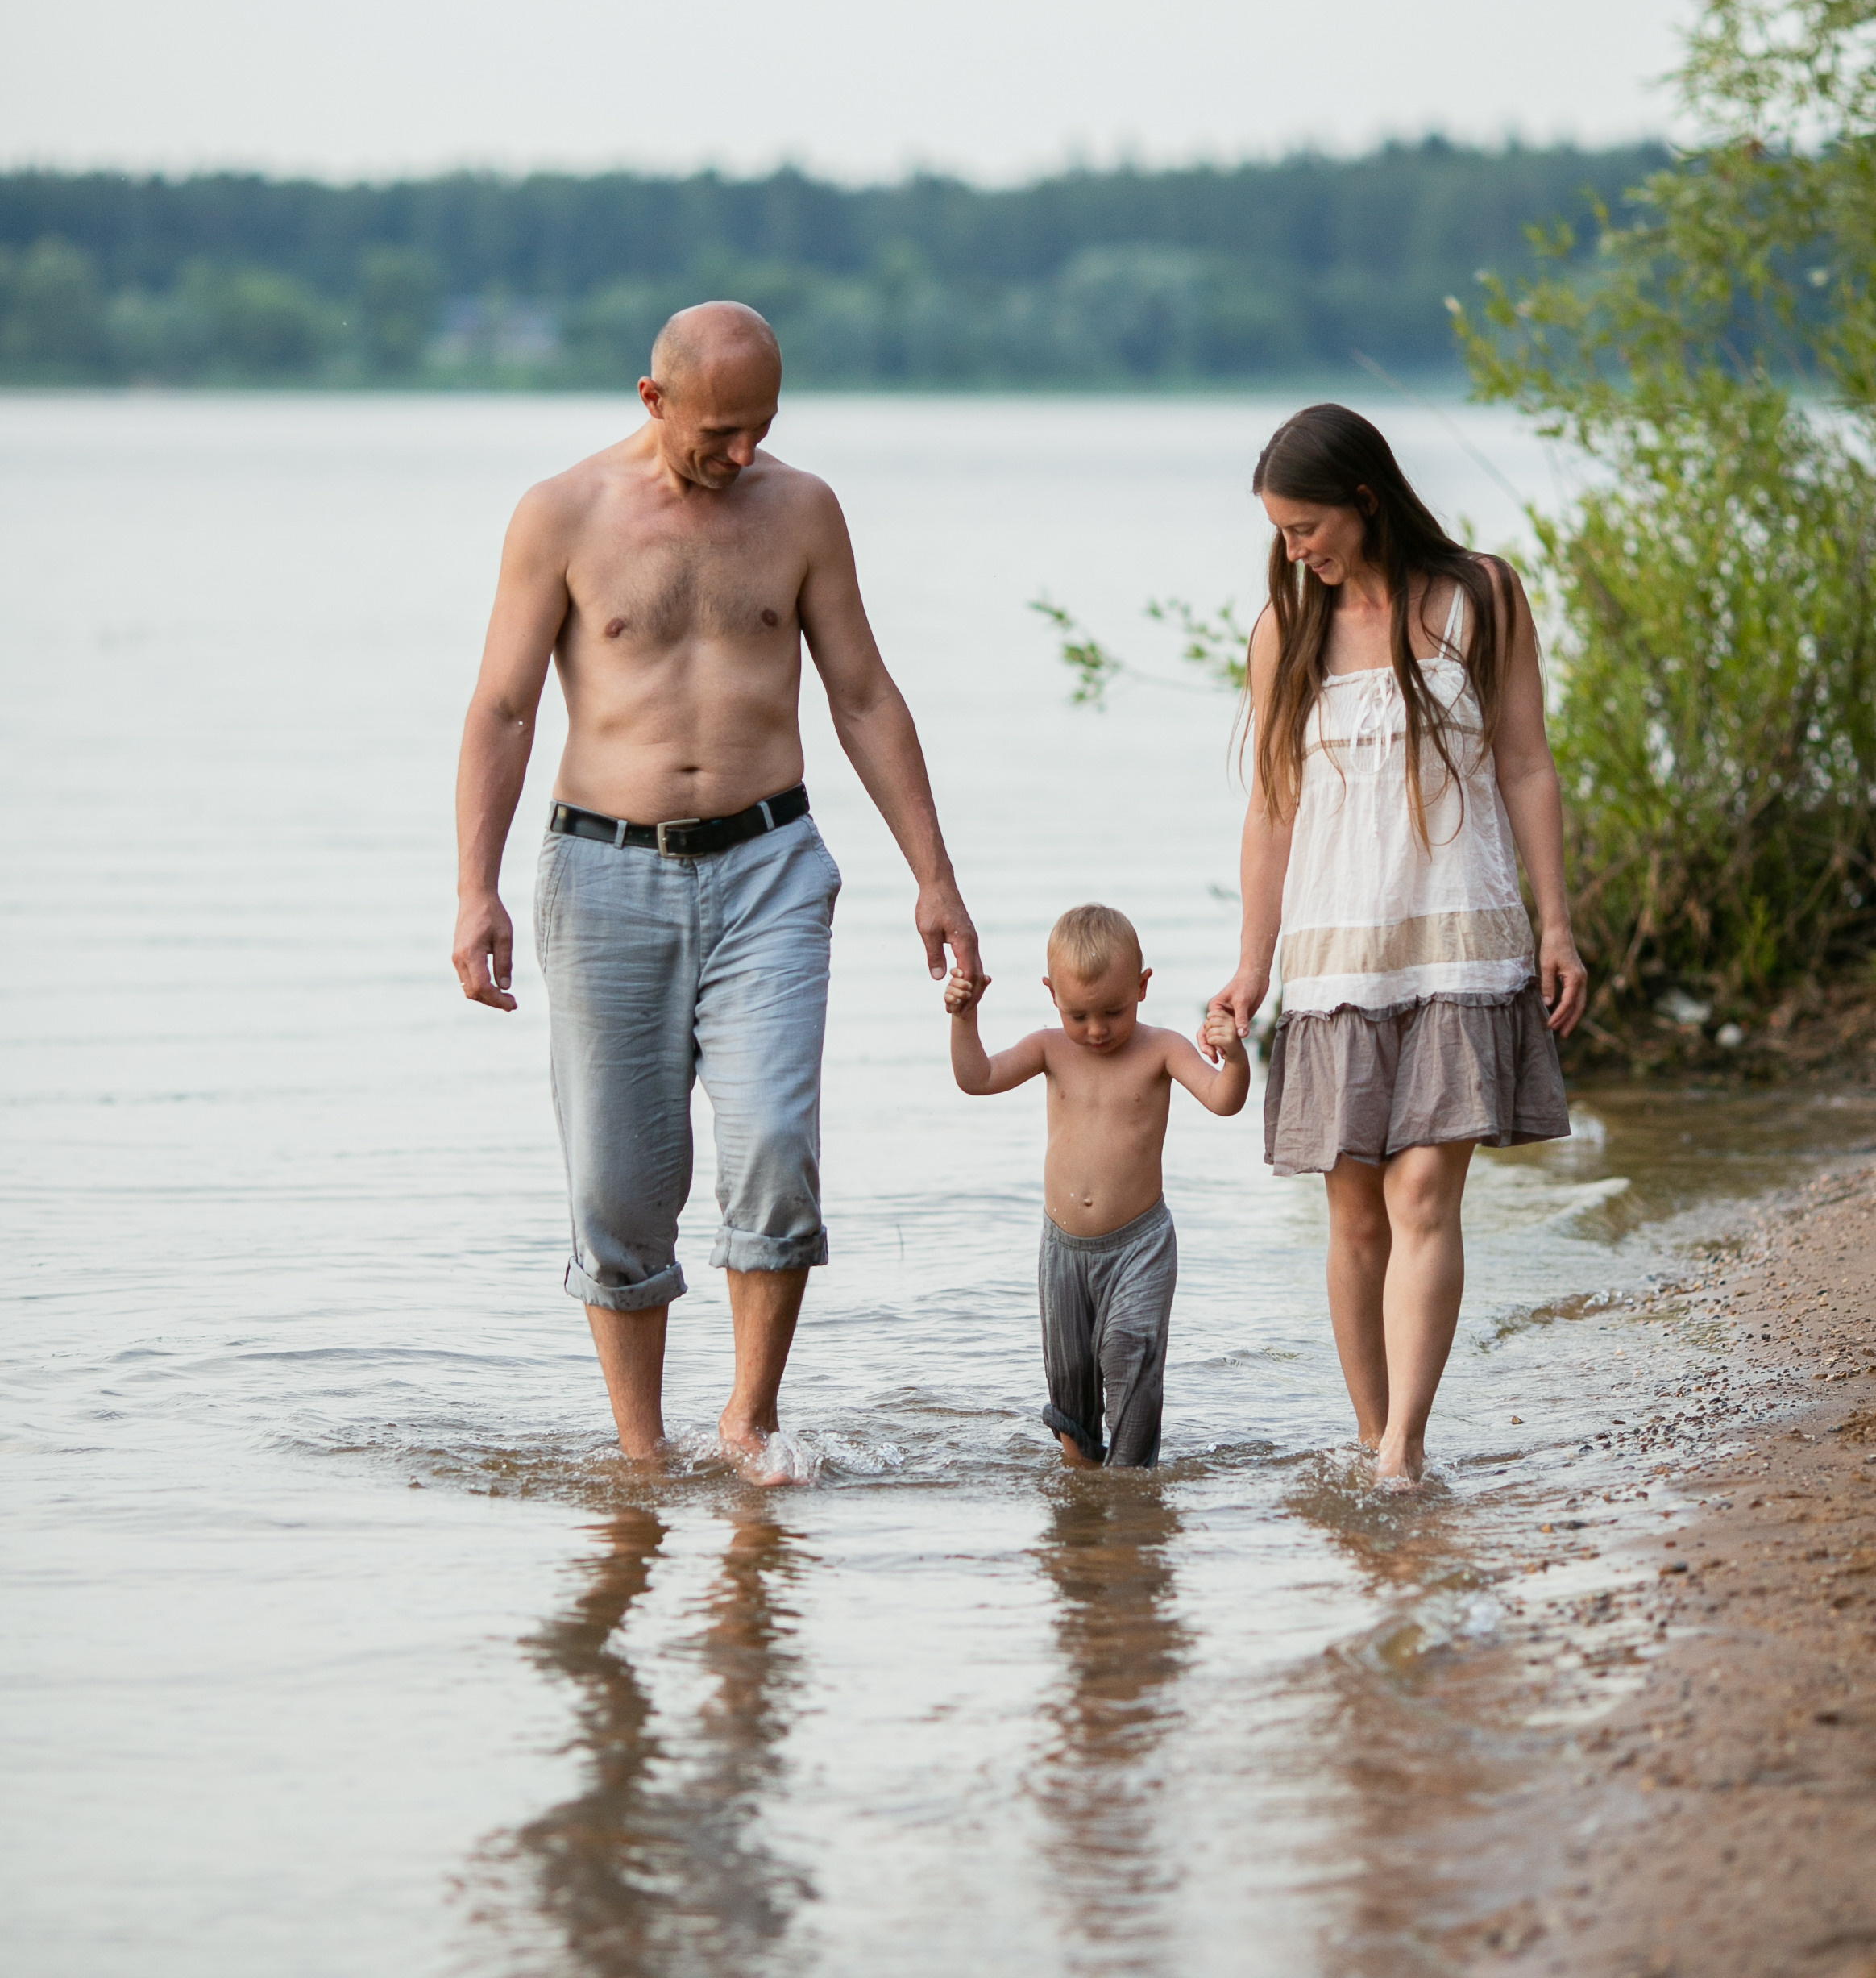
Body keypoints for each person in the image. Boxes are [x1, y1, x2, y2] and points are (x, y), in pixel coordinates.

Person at [452, 300, 980, 1470]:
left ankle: (749, 1421)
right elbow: (502, 708)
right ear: (653, 401)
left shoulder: (802, 512)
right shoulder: (561, 515)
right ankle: (640, 1455)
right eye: (718, 433)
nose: (743, 455)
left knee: (778, 1150)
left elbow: (863, 695)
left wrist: (934, 877)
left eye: (762, 428)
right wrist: (474, 889)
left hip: (771, 867)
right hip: (602, 874)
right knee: (618, 1182)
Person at [1208, 404, 1586, 1487]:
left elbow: (1526, 765)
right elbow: (1272, 806)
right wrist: (1252, 964)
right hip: (1336, 959)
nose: (1294, 551)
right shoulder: (1288, 631)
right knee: (1354, 1212)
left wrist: (1555, 921)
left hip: (1463, 946)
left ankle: (1405, 1451)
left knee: (1424, 1195)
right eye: (1281, 534)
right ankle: (1373, 1438)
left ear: (1365, 500)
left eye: (1306, 526)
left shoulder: (1481, 596)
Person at [945, 902, 1249, 1469]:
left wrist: (1233, 1056)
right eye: (1078, 1014)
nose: (1097, 1030)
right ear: (1051, 994)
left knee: (1128, 1352)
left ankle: (1131, 1481)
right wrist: (965, 1019)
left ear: (1142, 986)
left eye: (1112, 1010)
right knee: (1070, 1375)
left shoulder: (1162, 1049)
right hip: (1063, 1247)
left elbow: (1223, 1101)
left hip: (1140, 1245)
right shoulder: (1048, 1048)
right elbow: (977, 1078)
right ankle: (1083, 1481)